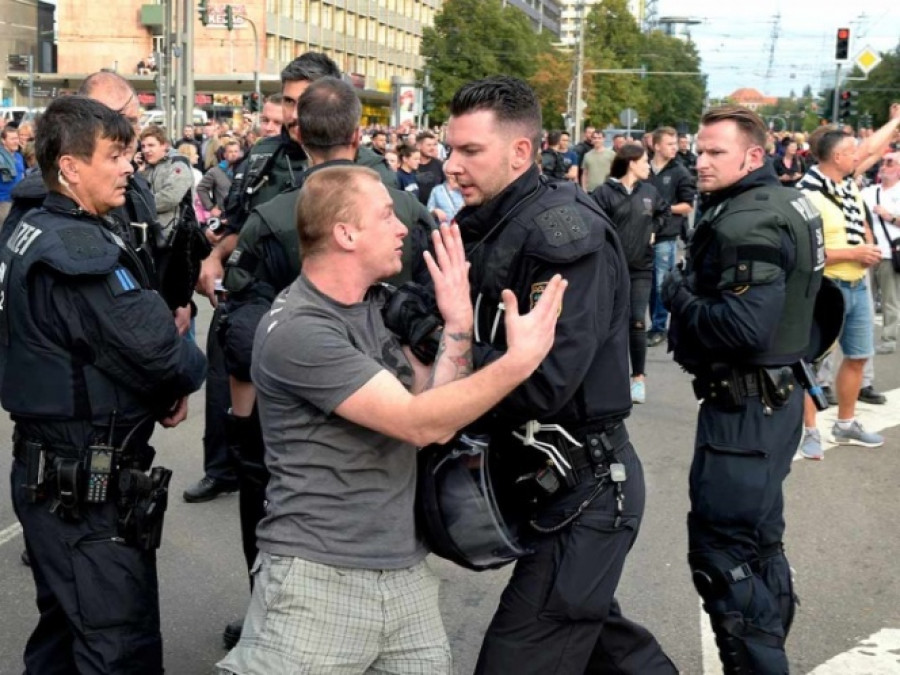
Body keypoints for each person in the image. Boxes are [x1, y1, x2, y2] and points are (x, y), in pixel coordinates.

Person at [216, 165, 567, 674]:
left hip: (404, 577)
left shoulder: (372, 307)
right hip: (317, 582)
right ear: (346, 233)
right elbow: (418, 422)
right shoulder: (299, 329)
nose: (402, 226)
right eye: (386, 215)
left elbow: (436, 412)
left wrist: (459, 326)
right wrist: (519, 363)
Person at [439, 75, 676, 675]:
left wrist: (450, 336)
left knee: (517, 659)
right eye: (450, 149)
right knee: (604, 645)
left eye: (470, 151)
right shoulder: (488, 220)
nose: (450, 166)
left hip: (586, 490)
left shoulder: (564, 235)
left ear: (520, 152)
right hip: (539, 481)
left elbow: (544, 383)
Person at [216, 75, 436, 649]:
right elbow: (434, 307)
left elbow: (239, 329)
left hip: (295, 410)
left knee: (280, 516)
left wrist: (244, 425)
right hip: (402, 393)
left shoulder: (272, 214)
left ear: (297, 132)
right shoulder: (409, 209)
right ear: (359, 132)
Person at [4, 95, 207, 675]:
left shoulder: (33, 226)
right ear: (70, 166)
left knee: (67, 631)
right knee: (117, 644)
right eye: (114, 156)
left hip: (57, 473)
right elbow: (160, 352)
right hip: (84, 489)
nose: (129, 166)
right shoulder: (75, 249)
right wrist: (179, 376)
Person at [662, 104, 825, 672]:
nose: (700, 162)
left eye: (714, 153)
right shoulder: (788, 202)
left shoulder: (747, 218)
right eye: (698, 150)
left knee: (722, 554)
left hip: (746, 406)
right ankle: (767, 653)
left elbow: (742, 326)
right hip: (773, 400)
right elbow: (817, 302)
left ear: (753, 156)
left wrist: (677, 295)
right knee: (757, 546)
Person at [184, 52, 341, 506]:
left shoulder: (353, 158)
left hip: (316, 300)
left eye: (302, 103)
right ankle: (224, 467)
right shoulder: (263, 156)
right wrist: (213, 260)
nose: (293, 115)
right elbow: (234, 222)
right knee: (226, 369)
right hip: (253, 293)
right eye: (288, 102)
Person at [797, 122, 898, 457]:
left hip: (856, 283)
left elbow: (872, 149)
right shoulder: (808, 192)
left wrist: (866, 245)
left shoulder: (845, 184)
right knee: (810, 362)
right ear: (839, 156)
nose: (860, 155)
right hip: (826, 287)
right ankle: (809, 431)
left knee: (858, 355)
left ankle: (845, 423)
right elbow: (804, 251)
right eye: (853, 151)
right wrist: (853, 253)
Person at [592, 143, 668, 405]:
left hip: (641, 269)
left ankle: (638, 379)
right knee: (610, 324)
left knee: (637, 321)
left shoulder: (650, 192)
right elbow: (593, 223)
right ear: (631, 163)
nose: (648, 165)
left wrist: (654, 229)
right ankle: (607, 377)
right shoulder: (604, 193)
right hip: (610, 270)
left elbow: (664, 212)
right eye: (645, 161)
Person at [647, 126, 696, 347]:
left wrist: (663, 208)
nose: (674, 148)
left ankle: (659, 327)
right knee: (644, 284)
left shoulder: (680, 172)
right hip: (640, 235)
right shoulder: (642, 167)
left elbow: (687, 206)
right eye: (670, 144)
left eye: (676, 144)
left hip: (665, 236)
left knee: (660, 284)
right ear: (656, 146)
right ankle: (641, 325)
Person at [863, 151, 900, 354]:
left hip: (891, 253)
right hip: (869, 253)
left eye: (890, 163)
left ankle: (889, 339)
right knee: (865, 300)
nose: (884, 166)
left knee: (890, 300)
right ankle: (864, 339)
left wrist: (890, 217)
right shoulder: (869, 191)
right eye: (883, 162)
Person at [0, 125, 26, 224]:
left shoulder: (19, 156)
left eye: (17, 138)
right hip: (4, 202)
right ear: (3, 141)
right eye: (12, 139)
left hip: (18, 200)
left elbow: (23, 175)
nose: (16, 141)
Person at [415, 129, 446, 205]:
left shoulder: (439, 164)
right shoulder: (412, 164)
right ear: (419, 146)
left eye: (434, 145)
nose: (432, 148)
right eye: (429, 145)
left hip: (435, 210)